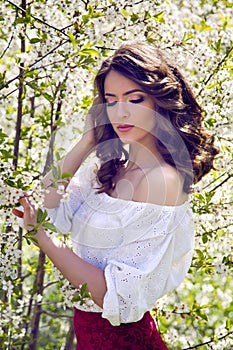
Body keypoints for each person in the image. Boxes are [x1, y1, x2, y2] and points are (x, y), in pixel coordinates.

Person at [13, 41, 218, 349]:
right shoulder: (111, 168)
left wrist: (42, 238)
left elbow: (109, 292)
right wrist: (86, 142)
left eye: (134, 99)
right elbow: (49, 204)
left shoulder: (161, 182)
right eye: (111, 101)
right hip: (90, 336)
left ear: (159, 103)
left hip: (122, 340)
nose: (121, 112)